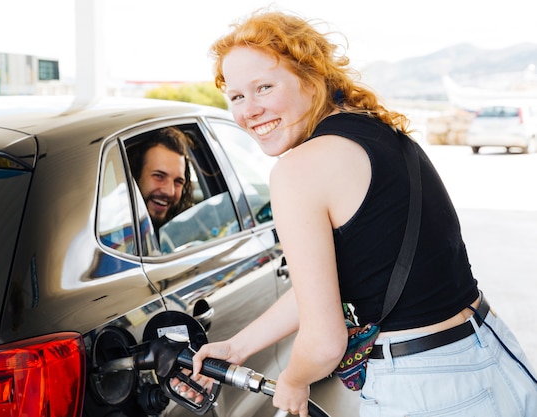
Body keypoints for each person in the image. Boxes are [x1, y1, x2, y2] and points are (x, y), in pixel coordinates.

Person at [191, 9, 537, 417]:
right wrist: (237, 347)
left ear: (311, 76)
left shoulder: (298, 169)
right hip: (493, 351)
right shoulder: (381, 132)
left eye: (264, 87)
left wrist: (294, 379)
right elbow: (323, 287)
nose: (249, 111)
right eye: (236, 97)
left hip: (424, 387)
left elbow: (323, 343)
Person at [128, 126, 194, 233]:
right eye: (159, 176)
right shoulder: (114, 233)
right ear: (136, 174)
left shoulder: (187, 231)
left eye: (178, 182)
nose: (170, 192)